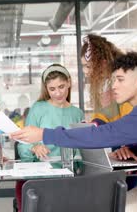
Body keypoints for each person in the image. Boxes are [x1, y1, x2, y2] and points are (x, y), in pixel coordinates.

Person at [11, 52, 137, 212]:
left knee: (106, 205)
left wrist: (44, 134)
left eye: (120, 79)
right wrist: (130, 148)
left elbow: (101, 134)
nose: (113, 86)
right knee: (102, 202)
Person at [15, 64, 84, 212]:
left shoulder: (77, 113)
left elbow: (81, 149)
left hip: (68, 179)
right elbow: (23, 143)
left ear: (69, 83)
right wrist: (34, 147)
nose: (58, 93)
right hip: (41, 177)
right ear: (46, 89)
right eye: (52, 89)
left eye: (61, 87)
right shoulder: (38, 108)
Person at [81, 34, 132, 125]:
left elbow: (129, 124)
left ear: (103, 64)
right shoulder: (104, 85)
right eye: (83, 66)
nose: (84, 71)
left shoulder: (124, 84)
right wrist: (95, 123)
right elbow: (104, 114)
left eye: (88, 66)